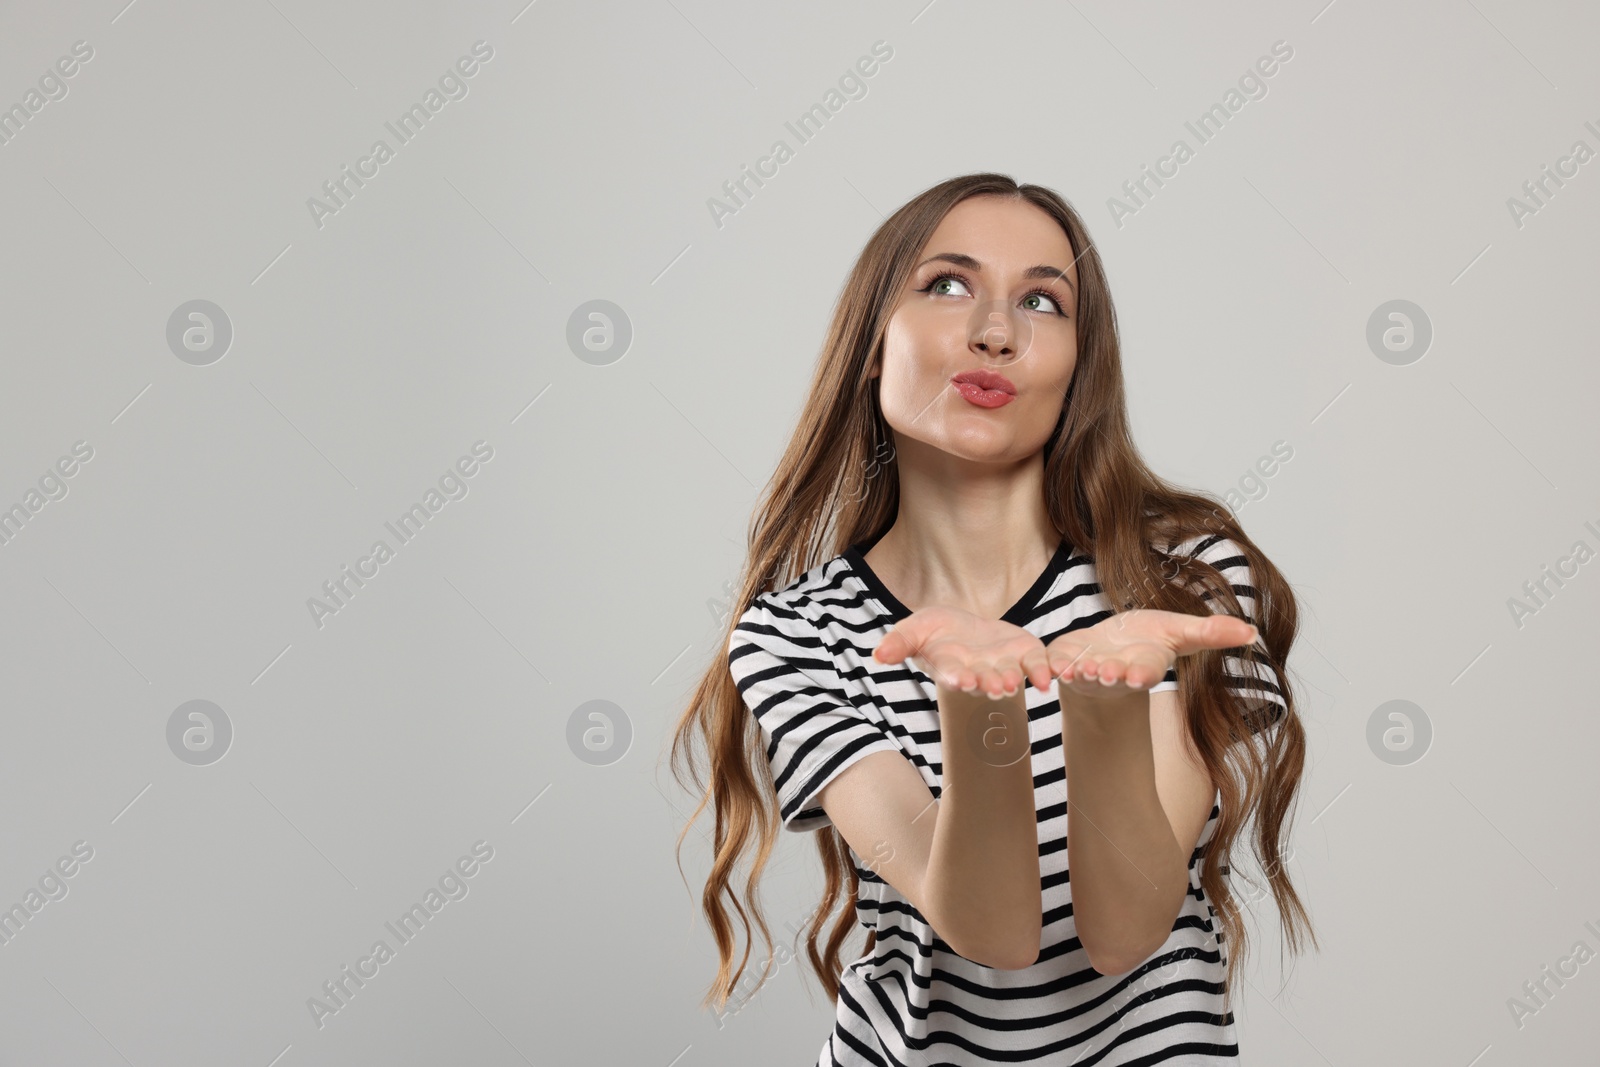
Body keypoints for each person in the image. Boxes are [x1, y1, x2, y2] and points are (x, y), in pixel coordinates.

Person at [668, 173, 1316, 1065]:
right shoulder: (795, 633)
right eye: (947, 284)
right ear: (871, 342)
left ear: (1078, 365)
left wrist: (1106, 696)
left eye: (1042, 301)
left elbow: (1125, 930)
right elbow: (991, 930)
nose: (996, 332)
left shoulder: (1182, 583)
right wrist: (978, 701)